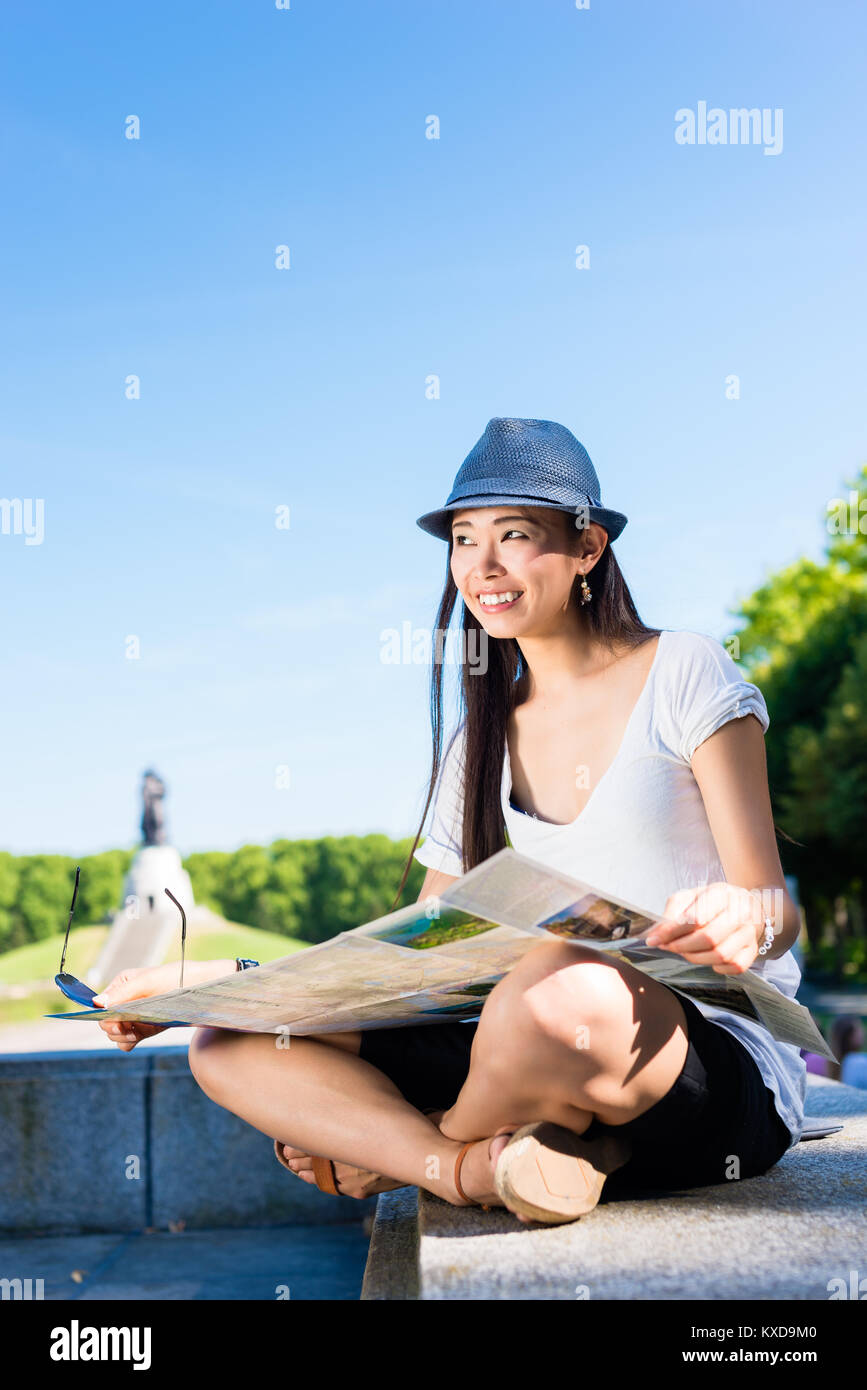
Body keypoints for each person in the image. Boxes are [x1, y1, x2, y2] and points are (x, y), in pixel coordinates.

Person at [93, 416, 806, 1224]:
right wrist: (225, 990)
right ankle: (477, 1168)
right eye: (464, 541)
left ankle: (415, 1155)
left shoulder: (683, 670)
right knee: (228, 1047)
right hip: (519, 1039)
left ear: (587, 549)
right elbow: (419, 957)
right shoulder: (483, 732)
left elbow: (771, 908)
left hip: (692, 1065)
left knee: (549, 986)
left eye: (514, 535)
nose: (483, 566)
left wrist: (741, 917)